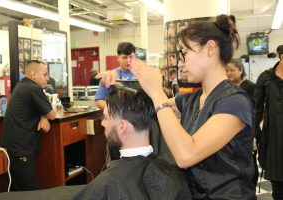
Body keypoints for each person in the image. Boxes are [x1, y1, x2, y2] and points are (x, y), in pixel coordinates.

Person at [100, 14, 256, 199]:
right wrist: (115, 79)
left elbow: (186, 154)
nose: (181, 62)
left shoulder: (235, 102)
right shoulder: (191, 100)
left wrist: (157, 91)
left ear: (210, 48)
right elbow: (145, 106)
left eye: (185, 53)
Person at [73, 89, 192, 200]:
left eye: (106, 118)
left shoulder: (107, 183)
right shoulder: (175, 176)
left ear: (121, 127)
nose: (103, 123)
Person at [0, 60, 55, 191]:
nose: (47, 78)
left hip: (13, 148)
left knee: (18, 190)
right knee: (30, 191)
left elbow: (44, 112)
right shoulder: (33, 88)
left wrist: (43, 116)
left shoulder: (22, 85)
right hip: (20, 150)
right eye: (45, 74)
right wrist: (45, 115)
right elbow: (52, 114)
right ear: (33, 74)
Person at [254, 44, 283, 200]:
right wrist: (253, 135)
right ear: (281, 56)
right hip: (274, 139)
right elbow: (257, 110)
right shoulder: (266, 78)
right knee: (278, 189)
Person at [226, 58, 258, 186]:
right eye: (227, 70)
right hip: (233, 130)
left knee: (250, 161)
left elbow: (256, 112)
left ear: (240, 70)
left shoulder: (250, 87)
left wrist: (254, 135)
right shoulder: (228, 87)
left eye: (232, 70)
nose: (229, 73)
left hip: (250, 129)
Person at [95, 42, 136, 110]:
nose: (128, 60)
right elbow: (99, 100)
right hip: (117, 117)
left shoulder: (142, 75)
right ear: (118, 58)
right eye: (124, 57)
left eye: (131, 57)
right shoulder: (109, 76)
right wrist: (114, 110)